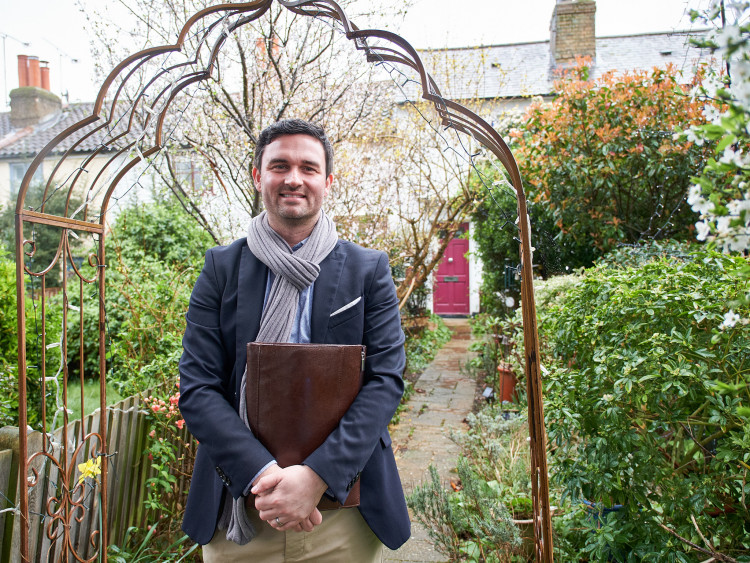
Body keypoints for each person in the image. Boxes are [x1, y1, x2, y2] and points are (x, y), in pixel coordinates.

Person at [178, 118, 411, 561]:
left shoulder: (368, 269)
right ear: (258, 176)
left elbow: (386, 380)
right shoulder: (221, 268)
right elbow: (198, 387)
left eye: (308, 167)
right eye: (279, 165)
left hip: (342, 516)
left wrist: (316, 478)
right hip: (243, 514)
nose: (293, 179)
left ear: (326, 180)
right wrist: (265, 475)